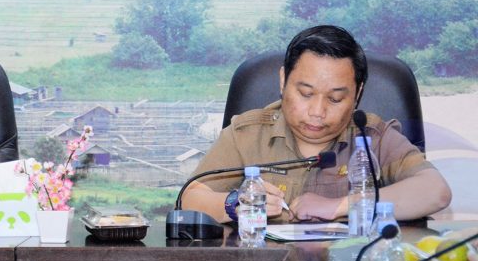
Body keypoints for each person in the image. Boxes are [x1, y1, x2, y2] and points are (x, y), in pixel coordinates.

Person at [182, 25, 451, 224]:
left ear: (357, 94)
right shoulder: (247, 134)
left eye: (335, 99)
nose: (317, 112)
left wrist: (341, 206)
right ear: (283, 81)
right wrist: (234, 203)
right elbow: (190, 199)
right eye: (305, 94)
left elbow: (435, 191)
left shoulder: (372, 136)